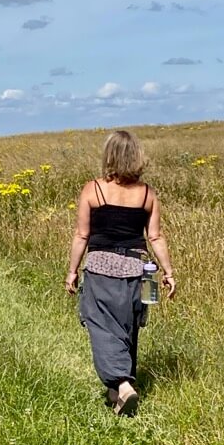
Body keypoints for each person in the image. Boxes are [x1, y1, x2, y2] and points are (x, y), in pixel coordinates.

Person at [65, 130, 175, 416]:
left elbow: (81, 235)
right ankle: (117, 395)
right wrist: (168, 271)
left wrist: (72, 271)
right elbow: (156, 237)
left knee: (101, 327)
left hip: (101, 268)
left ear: (109, 156)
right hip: (138, 269)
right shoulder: (147, 194)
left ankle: (122, 384)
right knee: (127, 327)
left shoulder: (93, 189)